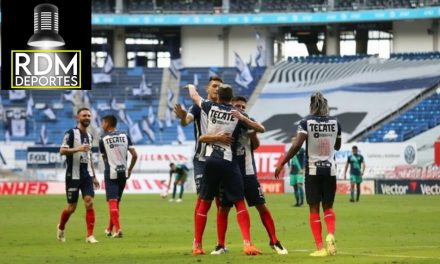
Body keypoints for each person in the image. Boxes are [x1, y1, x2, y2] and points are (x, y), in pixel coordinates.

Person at [200, 96, 288, 255]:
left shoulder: (247, 120)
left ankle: (275, 241)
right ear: (231, 106)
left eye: (243, 106)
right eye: (237, 105)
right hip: (229, 172)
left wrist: (252, 132)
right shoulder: (224, 121)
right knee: (224, 209)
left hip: (247, 172)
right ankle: (220, 244)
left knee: (261, 205)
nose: (240, 108)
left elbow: (256, 144)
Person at [185, 83, 265, 256]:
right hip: (229, 163)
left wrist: (191, 86)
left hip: (211, 160)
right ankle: (247, 244)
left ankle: (197, 245)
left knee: (204, 203)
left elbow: (194, 96)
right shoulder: (238, 114)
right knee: (239, 202)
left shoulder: (209, 106)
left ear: (218, 96)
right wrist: (243, 119)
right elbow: (261, 129)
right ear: (231, 98)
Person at [275, 92, 341, 257]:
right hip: (330, 169)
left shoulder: (306, 123)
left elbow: (297, 145)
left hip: (312, 170)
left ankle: (320, 248)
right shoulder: (335, 123)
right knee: (328, 207)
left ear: (311, 106)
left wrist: (282, 162)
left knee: (313, 209)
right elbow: (338, 146)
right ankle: (331, 234)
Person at [57, 107, 100, 243]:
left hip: (86, 175)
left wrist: (93, 176)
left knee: (89, 202)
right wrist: (78, 148)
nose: (87, 117)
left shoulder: (90, 136)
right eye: (84, 115)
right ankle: (61, 227)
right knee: (72, 208)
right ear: (77, 118)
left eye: (88, 115)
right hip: (72, 175)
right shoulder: (70, 133)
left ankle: (90, 236)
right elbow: (62, 151)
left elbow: (89, 157)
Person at [99, 114, 138, 238]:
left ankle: (118, 229)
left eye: (102, 122)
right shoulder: (125, 136)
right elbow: (135, 155)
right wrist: (130, 169)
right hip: (123, 173)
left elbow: (104, 157)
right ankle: (109, 229)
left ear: (107, 123)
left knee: (112, 201)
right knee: (116, 202)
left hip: (111, 173)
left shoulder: (103, 139)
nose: (102, 125)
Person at [289, 137, 305, 207]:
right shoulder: (290, 150)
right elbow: (289, 160)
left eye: (295, 140)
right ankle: (297, 202)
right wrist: (289, 166)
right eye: (292, 140)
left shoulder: (301, 150)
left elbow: (305, 159)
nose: (294, 141)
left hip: (299, 171)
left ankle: (301, 202)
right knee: (295, 187)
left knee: (299, 185)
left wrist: (303, 168)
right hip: (293, 172)